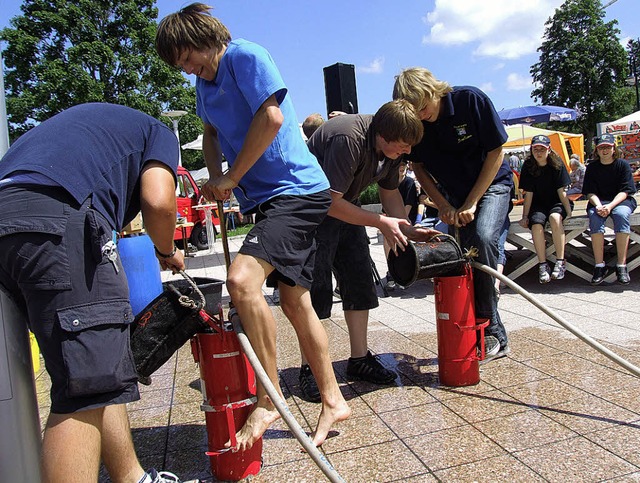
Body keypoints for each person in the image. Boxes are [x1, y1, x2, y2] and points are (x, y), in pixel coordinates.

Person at [155, 3, 350, 450]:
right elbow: (210, 133)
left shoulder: (245, 55)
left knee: (241, 282)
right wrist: (214, 181)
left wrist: (233, 177)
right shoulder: (204, 86)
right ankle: (333, 398)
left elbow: (272, 118)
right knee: (295, 300)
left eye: (189, 57)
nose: (189, 68)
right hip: (270, 199)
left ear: (206, 38)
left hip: (296, 191)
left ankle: (268, 398)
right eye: (180, 65)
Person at [0, 103, 185, 483]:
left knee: (94, 368)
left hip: (10, 220)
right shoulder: (159, 133)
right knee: (83, 393)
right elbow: (158, 201)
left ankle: (131, 476)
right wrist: (166, 251)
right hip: (57, 219)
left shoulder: (80, 127)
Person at [297, 100, 436, 402]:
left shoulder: (390, 148)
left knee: (359, 280)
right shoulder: (349, 138)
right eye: (402, 146)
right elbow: (329, 201)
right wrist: (379, 222)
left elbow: (389, 192)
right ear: (383, 136)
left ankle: (359, 359)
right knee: (316, 289)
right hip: (311, 209)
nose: (407, 152)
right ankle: (311, 368)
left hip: (345, 206)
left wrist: (407, 229)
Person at [393, 67, 512, 363]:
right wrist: (442, 203)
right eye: (414, 111)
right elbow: (418, 166)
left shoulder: (471, 100)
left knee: (483, 238)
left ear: (434, 91)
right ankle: (469, 329)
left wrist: (472, 201)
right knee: (461, 257)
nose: (421, 116)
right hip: (454, 196)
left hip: (493, 185)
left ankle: (492, 330)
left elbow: (497, 152)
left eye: (423, 107)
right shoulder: (417, 123)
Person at [582, 133, 637, 285]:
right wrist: (599, 205)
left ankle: (621, 265)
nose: (604, 150)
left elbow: (626, 191)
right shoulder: (592, 168)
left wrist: (611, 205)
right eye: (601, 148)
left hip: (621, 201)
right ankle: (599, 265)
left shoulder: (622, 165)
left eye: (608, 147)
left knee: (621, 215)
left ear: (614, 148)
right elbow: (589, 192)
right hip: (599, 201)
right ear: (597, 150)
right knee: (594, 217)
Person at [518, 135, 573, 283]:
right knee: (536, 223)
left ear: (548, 149)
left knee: (555, 218)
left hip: (557, 201)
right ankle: (542, 264)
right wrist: (524, 216)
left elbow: (562, 191)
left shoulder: (557, 163)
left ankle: (560, 261)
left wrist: (568, 212)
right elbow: (528, 194)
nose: (539, 152)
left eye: (542, 149)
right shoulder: (528, 165)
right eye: (536, 149)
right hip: (538, 204)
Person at [384, 159, 419, 289]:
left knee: (402, 237)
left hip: (407, 217)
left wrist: (400, 222)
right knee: (387, 237)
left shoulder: (408, 182)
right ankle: (391, 270)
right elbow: (386, 206)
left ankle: (404, 271)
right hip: (393, 217)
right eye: (399, 165)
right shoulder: (389, 181)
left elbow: (409, 205)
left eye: (403, 165)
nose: (401, 167)